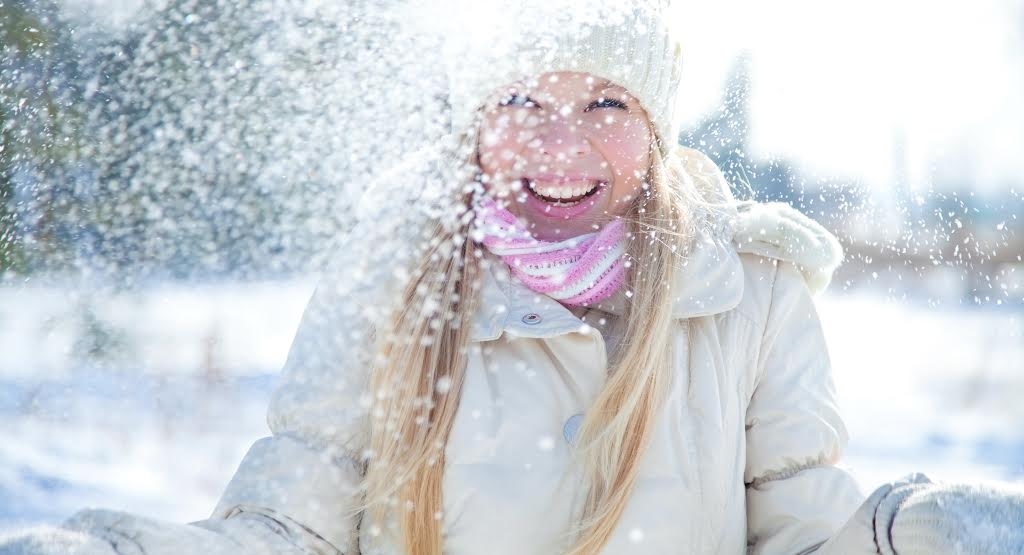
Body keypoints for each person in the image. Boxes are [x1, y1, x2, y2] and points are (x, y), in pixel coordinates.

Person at [3, 1, 1022, 554]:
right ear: (476, 123)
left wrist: (911, 535)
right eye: (524, 99)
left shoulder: (750, 291)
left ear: (657, 125)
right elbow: (292, 527)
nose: (561, 145)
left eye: (607, 106)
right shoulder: (395, 278)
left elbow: (799, 535)